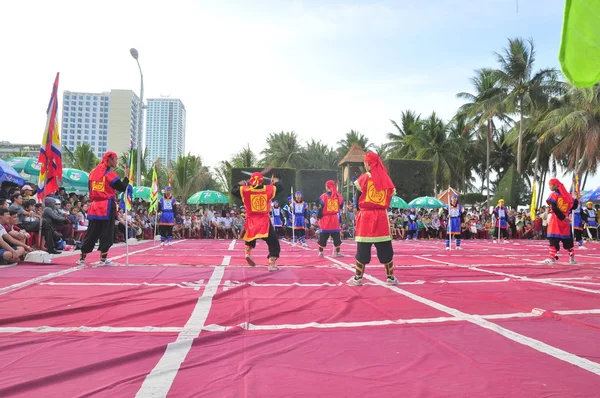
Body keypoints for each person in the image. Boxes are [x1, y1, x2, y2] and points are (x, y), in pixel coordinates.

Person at [347, 152, 398, 286]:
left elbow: (357, 199)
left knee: (363, 247)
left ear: (369, 164)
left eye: (365, 163)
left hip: (366, 217)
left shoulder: (364, 178)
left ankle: (358, 278)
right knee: (385, 246)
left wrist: (358, 212)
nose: (364, 165)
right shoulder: (386, 178)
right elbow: (389, 197)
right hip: (381, 216)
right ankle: (390, 277)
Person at [77, 152, 128, 265]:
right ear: (109, 160)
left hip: (94, 206)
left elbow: (90, 189)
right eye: (115, 159)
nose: (116, 162)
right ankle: (103, 259)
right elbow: (122, 188)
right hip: (107, 206)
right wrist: (127, 177)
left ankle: (82, 258)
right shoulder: (110, 174)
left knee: (91, 232)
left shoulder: (92, 173)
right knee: (107, 233)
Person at [231, 172, 283, 271]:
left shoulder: (246, 191)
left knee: (250, 236)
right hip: (264, 221)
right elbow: (280, 187)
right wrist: (275, 181)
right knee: (273, 241)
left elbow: (233, 190)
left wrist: (240, 184)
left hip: (252, 220)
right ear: (262, 180)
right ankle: (271, 262)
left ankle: (248, 253)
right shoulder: (267, 189)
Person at [543, 178, 576, 264]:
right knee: (567, 240)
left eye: (550, 185)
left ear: (555, 185)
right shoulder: (568, 196)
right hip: (565, 221)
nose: (550, 187)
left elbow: (554, 207)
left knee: (553, 239)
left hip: (556, 219)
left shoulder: (554, 195)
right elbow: (574, 206)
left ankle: (551, 258)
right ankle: (572, 258)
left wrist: (562, 217)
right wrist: (576, 199)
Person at [317, 180, 344, 257]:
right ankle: (338, 252)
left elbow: (320, 208)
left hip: (326, 219)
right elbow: (341, 206)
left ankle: (321, 252)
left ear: (327, 187)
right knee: (336, 235)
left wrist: (319, 217)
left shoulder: (324, 196)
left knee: (323, 235)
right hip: (335, 218)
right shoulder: (338, 196)